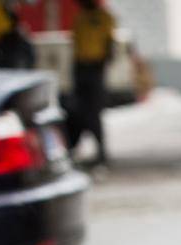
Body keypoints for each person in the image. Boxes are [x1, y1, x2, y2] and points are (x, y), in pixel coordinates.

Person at [68, 0, 116, 168]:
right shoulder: (80, 18)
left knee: (93, 112)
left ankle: (101, 152)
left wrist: (102, 65)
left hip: (96, 68)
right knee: (78, 111)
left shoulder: (104, 17)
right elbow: (76, 45)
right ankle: (73, 149)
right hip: (81, 68)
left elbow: (110, 44)